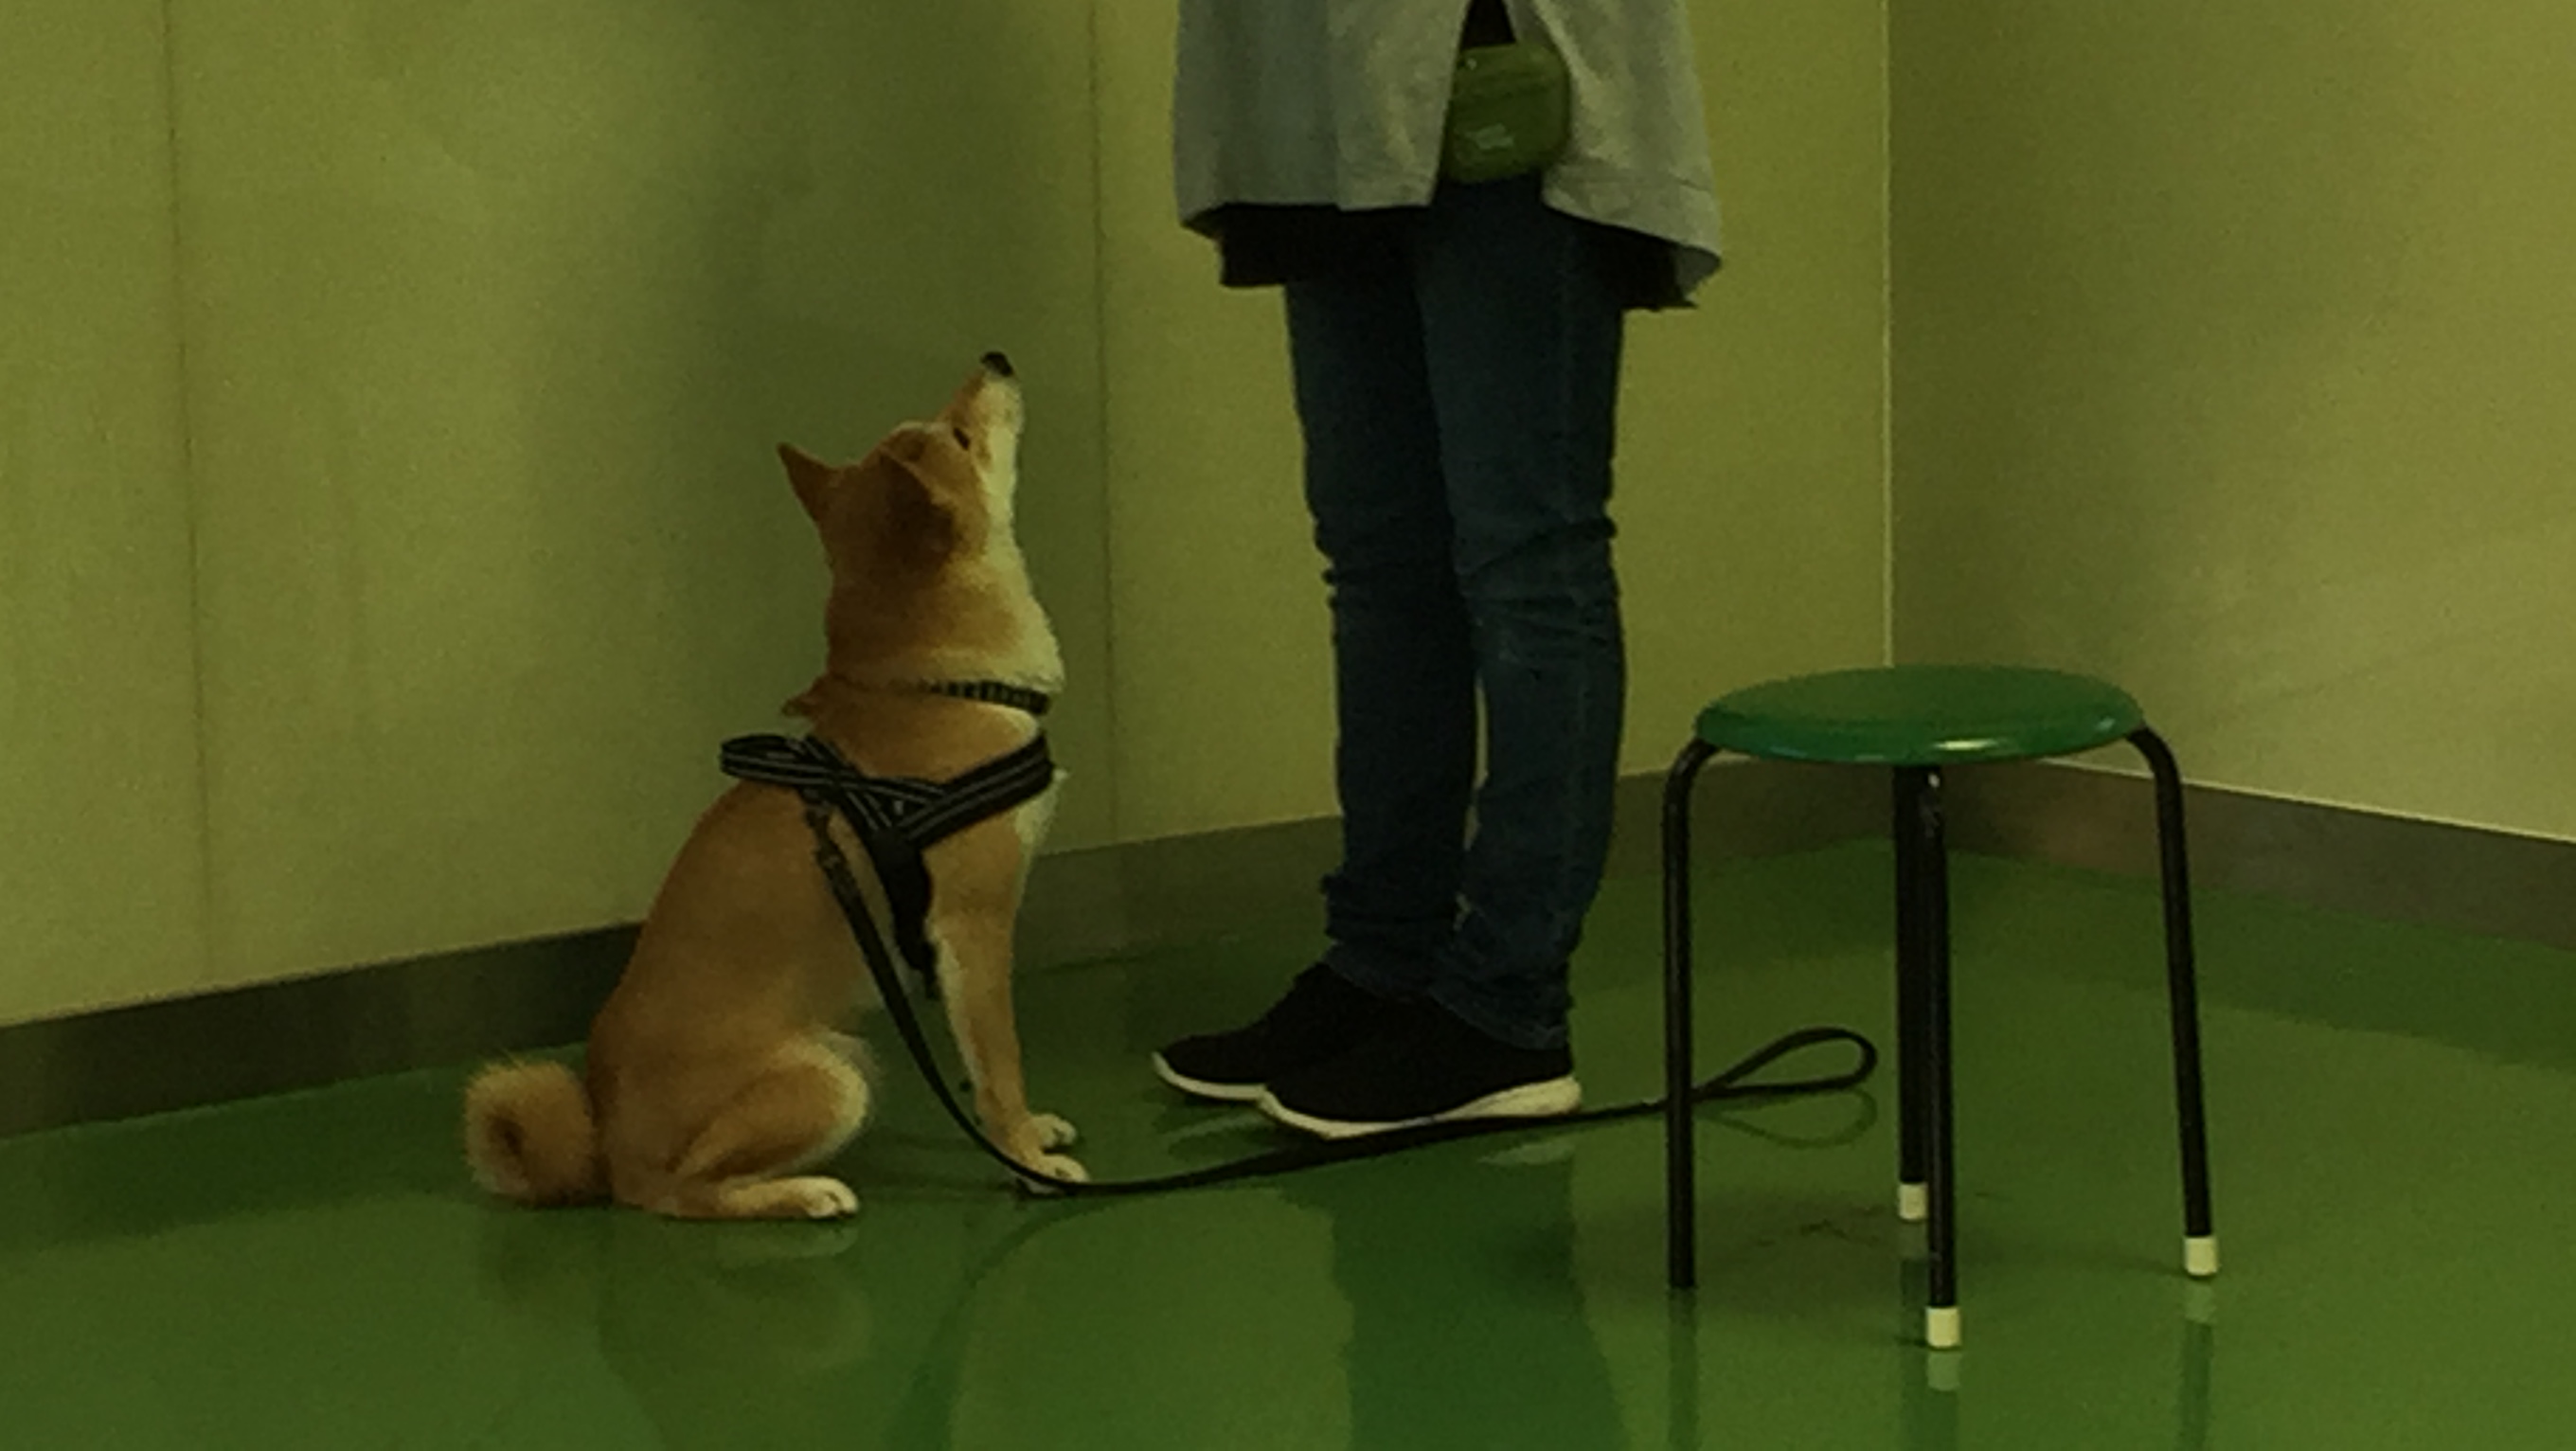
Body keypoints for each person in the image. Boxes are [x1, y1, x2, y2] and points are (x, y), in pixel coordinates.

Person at [1153, 0, 1723, 1138]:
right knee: (1377, 566)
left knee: (1527, 567)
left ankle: (1507, 1009)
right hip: (1313, 111)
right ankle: (1383, 962)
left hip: (1504, 85)